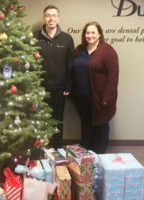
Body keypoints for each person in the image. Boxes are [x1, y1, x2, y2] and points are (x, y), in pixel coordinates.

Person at [69, 21, 119, 154]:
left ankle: (99, 155)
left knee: (100, 126)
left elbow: (113, 76)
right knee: (85, 125)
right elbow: (71, 69)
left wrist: (107, 98)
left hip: (99, 98)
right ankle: (86, 155)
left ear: (99, 35)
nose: (90, 35)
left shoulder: (107, 50)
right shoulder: (79, 50)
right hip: (81, 97)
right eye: (87, 32)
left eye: (93, 32)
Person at [35, 5, 74, 148]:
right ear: (44, 18)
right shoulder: (35, 38)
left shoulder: (67, 39)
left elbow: (71, 64)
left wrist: (69, 86)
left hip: (59, 88)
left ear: (58, 18)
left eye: (54, 15)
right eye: (48, 15)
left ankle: (57, 148)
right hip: (40, 88)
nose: (51, 19)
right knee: (40, 120)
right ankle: (42, 149)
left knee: (58, 121)